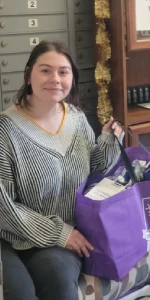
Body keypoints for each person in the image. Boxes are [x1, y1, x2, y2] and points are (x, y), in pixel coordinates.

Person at [0, 41, 124, 300]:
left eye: (63, 72)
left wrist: (110, 141)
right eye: (45, 71)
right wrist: (59, 233)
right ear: (28, 74)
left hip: (63, 234)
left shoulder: (76, 118)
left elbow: (95, 169)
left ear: (72, 79)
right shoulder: (6, 130)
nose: (54, 79)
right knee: (19, 293)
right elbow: (4, 207)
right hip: (11, 234)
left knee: (58, 277)